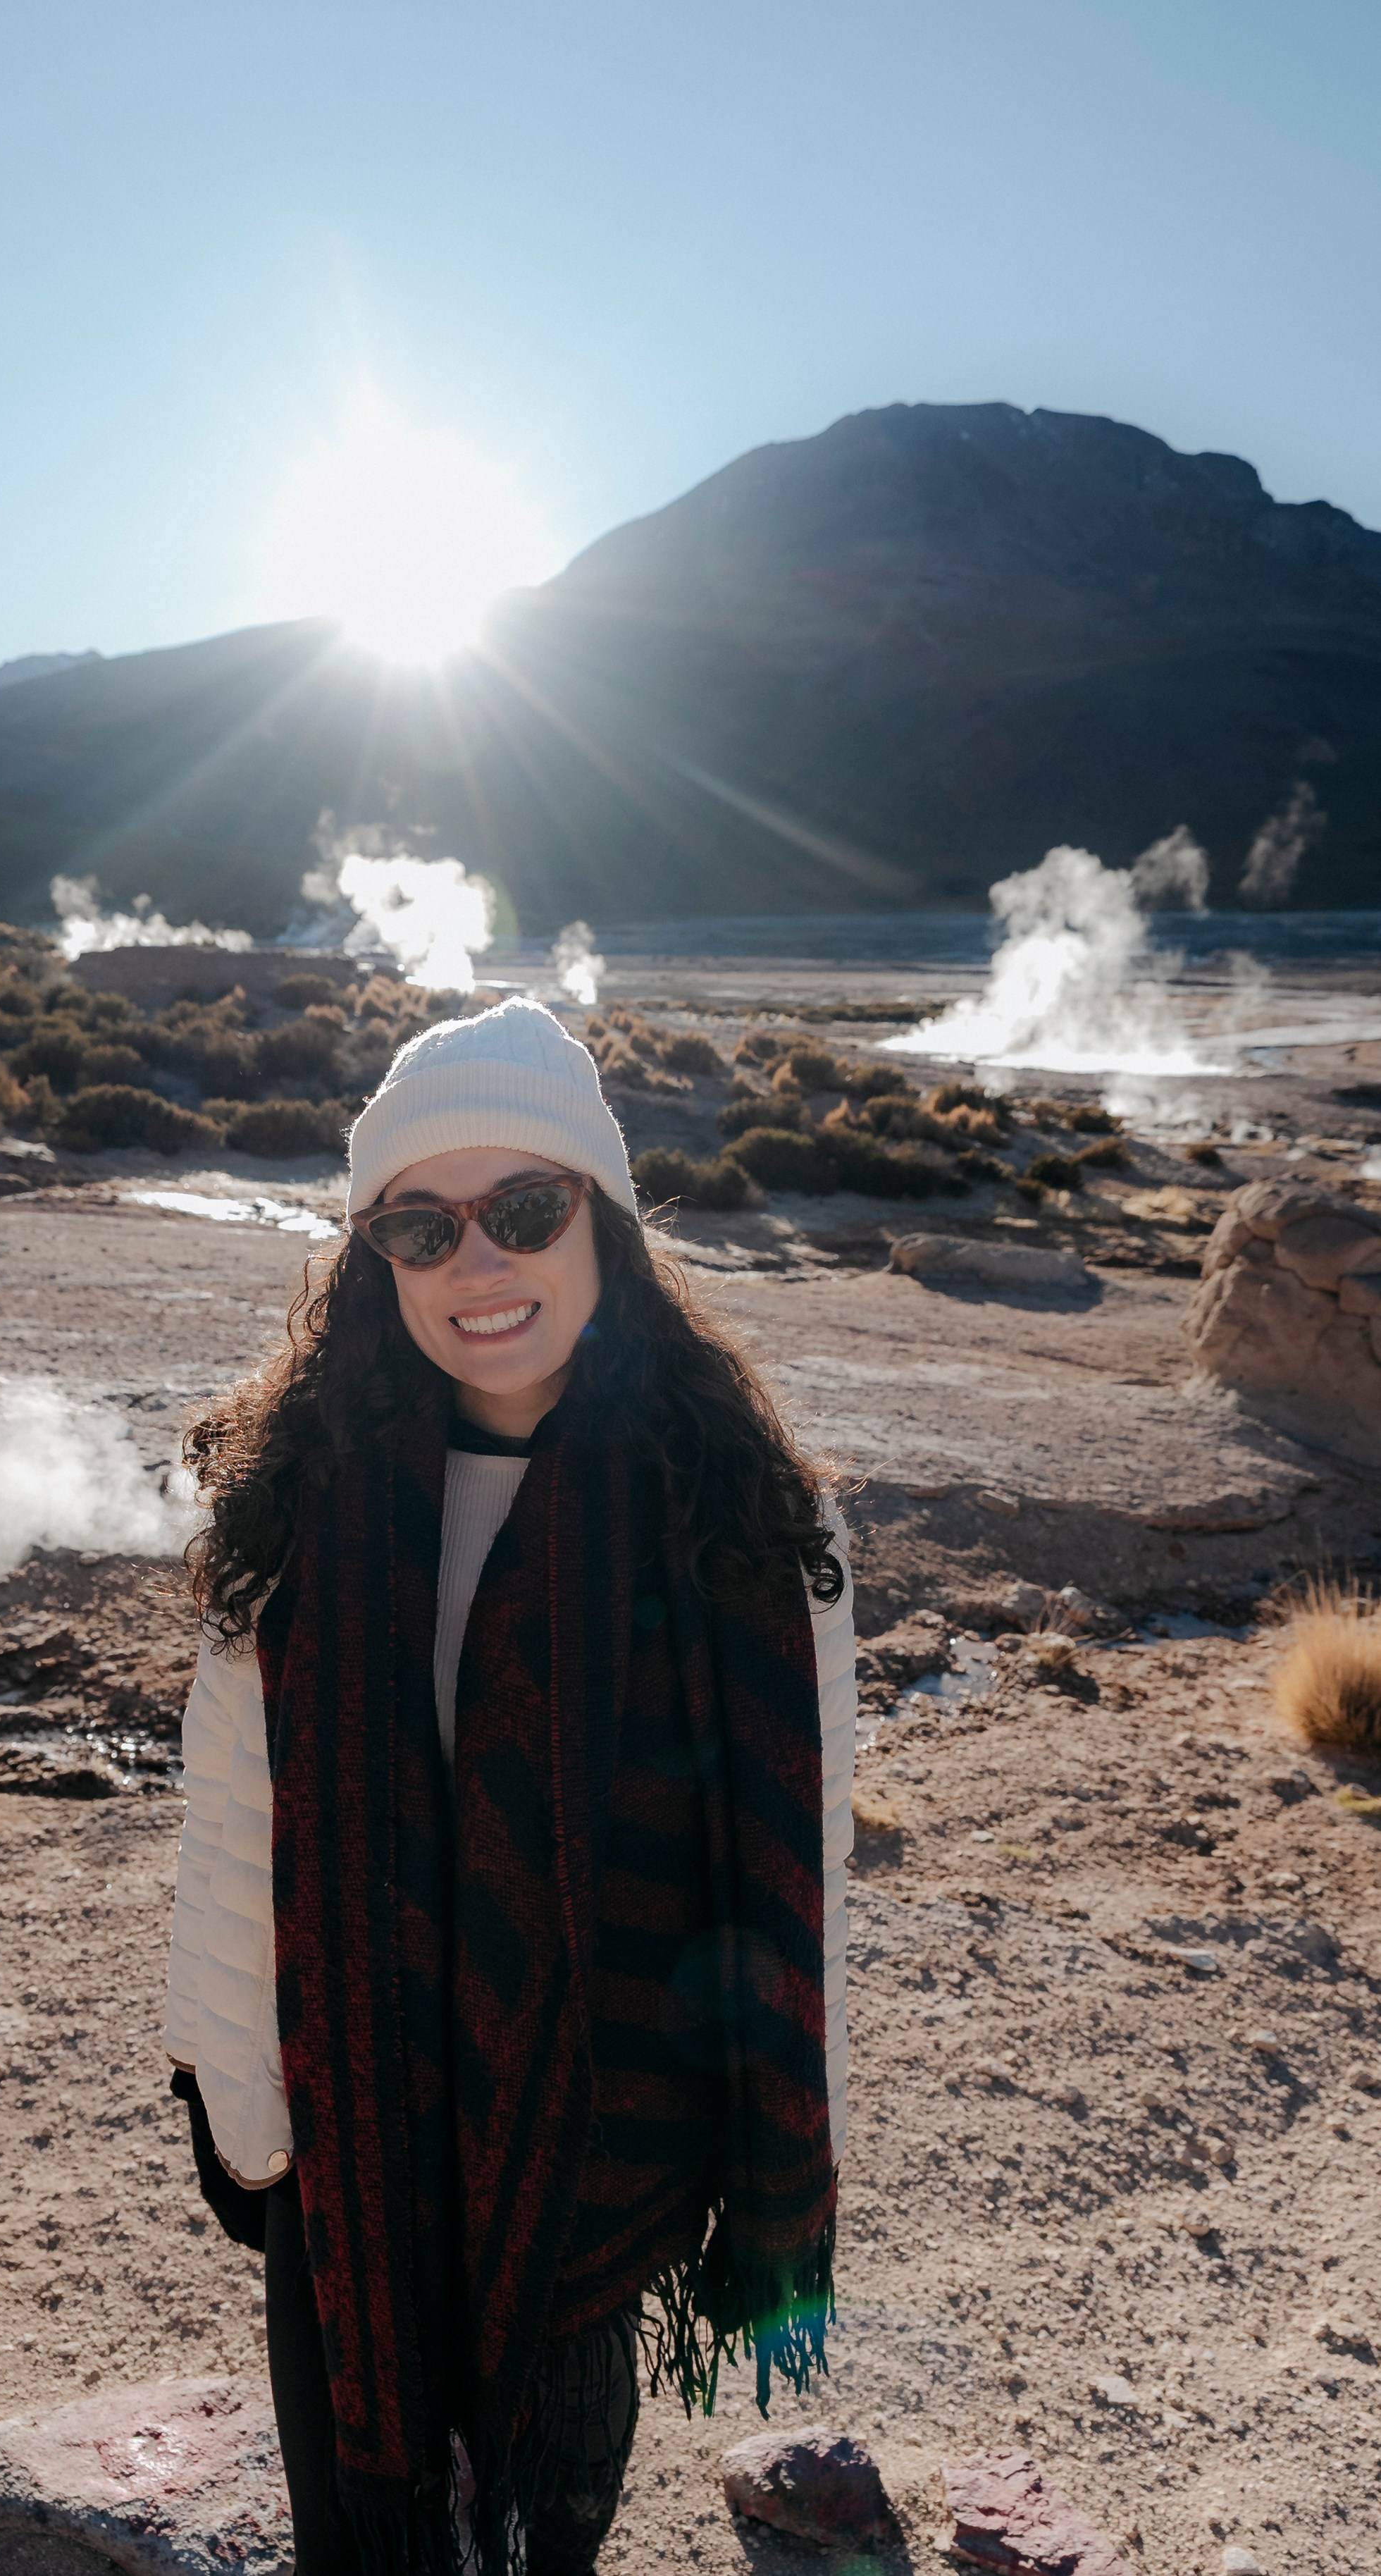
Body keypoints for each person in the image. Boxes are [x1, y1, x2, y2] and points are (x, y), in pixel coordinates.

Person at [163, 996, 855, 2575]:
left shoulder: (743, 1529)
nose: (477, 1265)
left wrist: (769, 2136)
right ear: (374, 1259)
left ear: (601, 1224)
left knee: (542, 2547)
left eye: (523, 1212)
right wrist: (246, 2109)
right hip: (346, 2146)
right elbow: (235, 1831)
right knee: (363, 2535)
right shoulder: (293, 1513)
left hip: (597, 2155)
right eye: (420, 1227)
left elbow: (793, 1869)